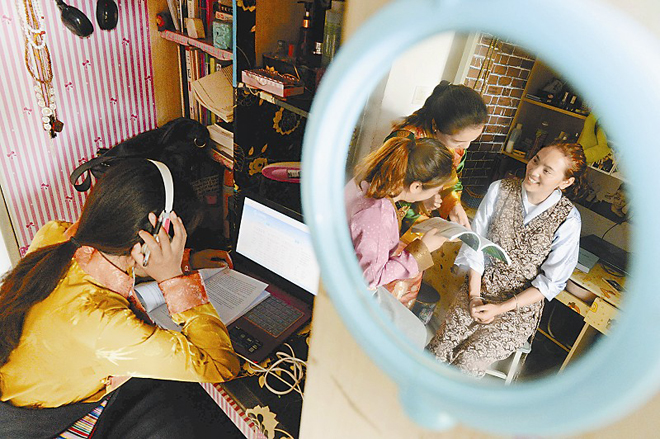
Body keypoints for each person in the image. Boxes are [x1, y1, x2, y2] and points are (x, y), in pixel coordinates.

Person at [0, 159, 241, 438]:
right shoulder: (105, 323)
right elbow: (220, 364)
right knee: (192, 404)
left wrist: (187, 259)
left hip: (17, 383)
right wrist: (172, 276)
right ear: (154, 237)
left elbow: (118, 254)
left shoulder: (55, 233)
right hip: (36, 424)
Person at [426, 142, 587, 378]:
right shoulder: (500, 189)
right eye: (535, 160)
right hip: (478, 289)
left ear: (566, 182)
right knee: (440, 348)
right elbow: (475, 244)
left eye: (547, 170)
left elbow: (550, 283)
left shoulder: (568, 219)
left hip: (518, 310)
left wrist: (501, 308)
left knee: (469, 361)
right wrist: (474, 296)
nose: (534, 171)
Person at [345, 136, 454, 309]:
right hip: (344, 293)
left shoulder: (368, 179)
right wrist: (422, 250)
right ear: (416, 186)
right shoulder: (379, 212)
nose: (436, 194)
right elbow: (371, 277)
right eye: (436, 190)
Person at [387, 81, 488, 231]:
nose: (466, 146)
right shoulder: (405, 141)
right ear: (435, 126)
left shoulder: (457, 148)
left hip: (426, 218)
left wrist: (453, 204)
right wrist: (421, 202)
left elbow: (450, 179)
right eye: (458, 141)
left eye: (471, 141)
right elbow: (385, 193)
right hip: (392, 222)